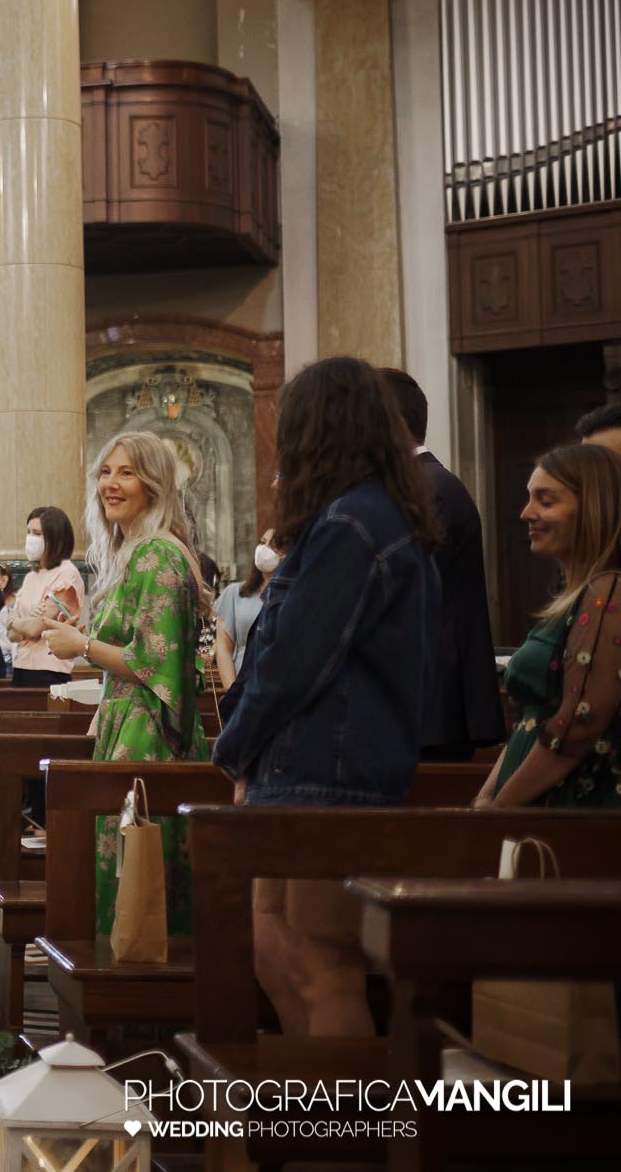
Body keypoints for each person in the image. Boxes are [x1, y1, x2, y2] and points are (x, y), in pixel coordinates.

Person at [212, 356, 441, 1038]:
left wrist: (235, 752)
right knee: (275, 953)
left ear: (319, 430)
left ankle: (343, 1110)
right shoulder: (352, 516)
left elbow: (292, 661)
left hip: (328, 774)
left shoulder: (354, 524)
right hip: (305, 768)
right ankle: (316, 1102)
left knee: (321, 968)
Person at [41, 432, 208, 938]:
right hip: (126, 718)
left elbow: (154, 662)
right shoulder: (133, 551)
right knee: (123, 864)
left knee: (137, 867)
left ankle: (141, 977)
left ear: (154, 484)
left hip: (148, 731)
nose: (111, 484)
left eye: (127, 473)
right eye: (106, 472)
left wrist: (81, 645)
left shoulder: (157, 555)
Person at [476, 444, 621, 809]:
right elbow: (533, 717)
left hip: (571, 811)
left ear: (592, 508)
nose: (526, 513)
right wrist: (487, 795)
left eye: (546, 500)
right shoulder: (577, 597)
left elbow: (577, 728)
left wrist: (498, 810)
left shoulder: (609, 592)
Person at [380, 368, 503, 761]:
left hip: (433, 707)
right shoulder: (421, 485)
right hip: (426, 705)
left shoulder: (425, 489)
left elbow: (403, 593)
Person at [9, 505, 84, 688]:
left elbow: (35, 628)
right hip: (21, 666)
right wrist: (22, 623)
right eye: (28, 532)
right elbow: (12, 635)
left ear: (55, 538)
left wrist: (14, 621)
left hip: (50, 670)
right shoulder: (30, 577)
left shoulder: (66, 573)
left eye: (37, 533)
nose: (30, 538)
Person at [214, 530, 275, 687]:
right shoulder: (235, 593)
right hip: (243, 682)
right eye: (263, 542)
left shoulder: (294, 595)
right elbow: (224, 648)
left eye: (273, 545)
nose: (264, 549)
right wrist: (231, 691)